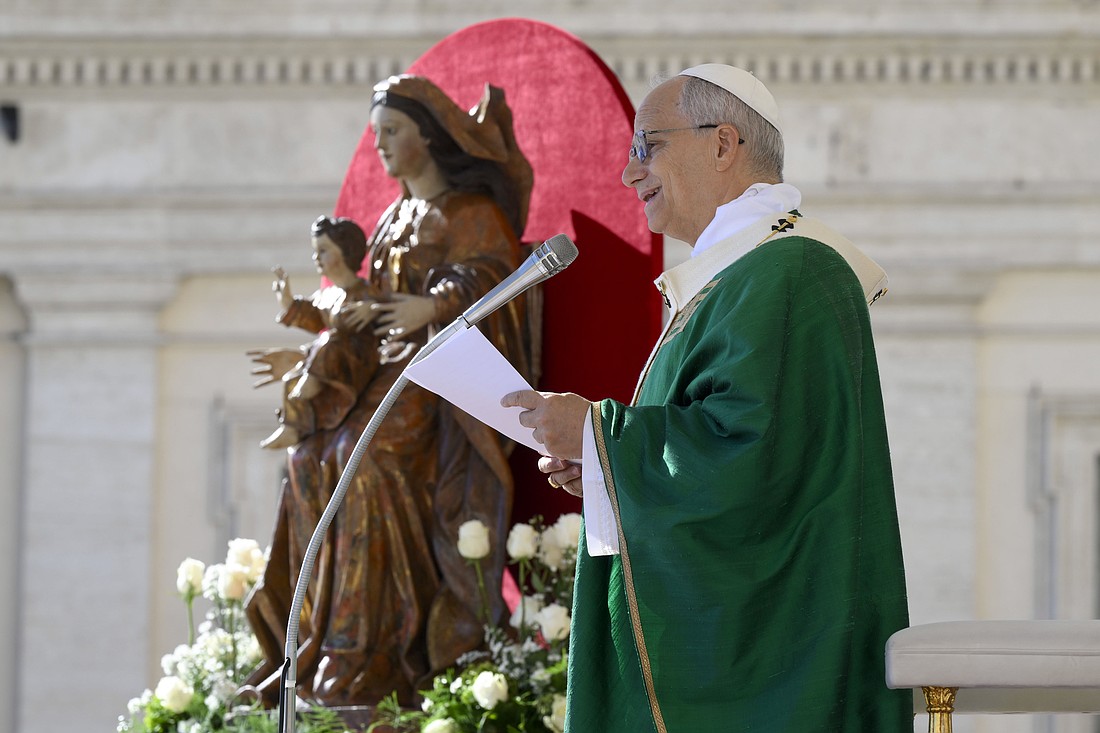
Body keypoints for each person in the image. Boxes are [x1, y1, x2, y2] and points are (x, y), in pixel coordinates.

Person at [502, 64, 911, 731]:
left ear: (723, 145)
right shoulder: (742, 275)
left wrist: (601, 430)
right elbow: (720, 444)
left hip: (777, 662)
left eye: (647, 147)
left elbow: (753, 461)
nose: (630, 175)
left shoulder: (793, 271)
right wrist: (608, 465)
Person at [244, 74, 535, 707]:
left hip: (440, 378)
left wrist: (433, 307)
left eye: (392, 131)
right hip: (380, 369)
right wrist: (306, 349)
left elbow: (499, 282)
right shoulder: (390, 218)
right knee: (307, 459)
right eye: (375, 133)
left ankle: (375, 651)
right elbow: (362, 307)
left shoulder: (471, 213)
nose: (379, 145)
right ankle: (312, 643)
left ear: (428, 136)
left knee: (363, 461)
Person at [256, 215, 382, 451]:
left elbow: (385, 307)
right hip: (329, 362)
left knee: (330, 340)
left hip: (358, 364)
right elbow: (313, 315)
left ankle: (311, 384)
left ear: (345, 252)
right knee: (292, 378)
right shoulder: (329, 295)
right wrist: (288, 303)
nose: (316, 258)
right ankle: (292, 427)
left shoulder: (364, 291)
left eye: (323, 250)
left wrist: (373, 309)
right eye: (316, 251)